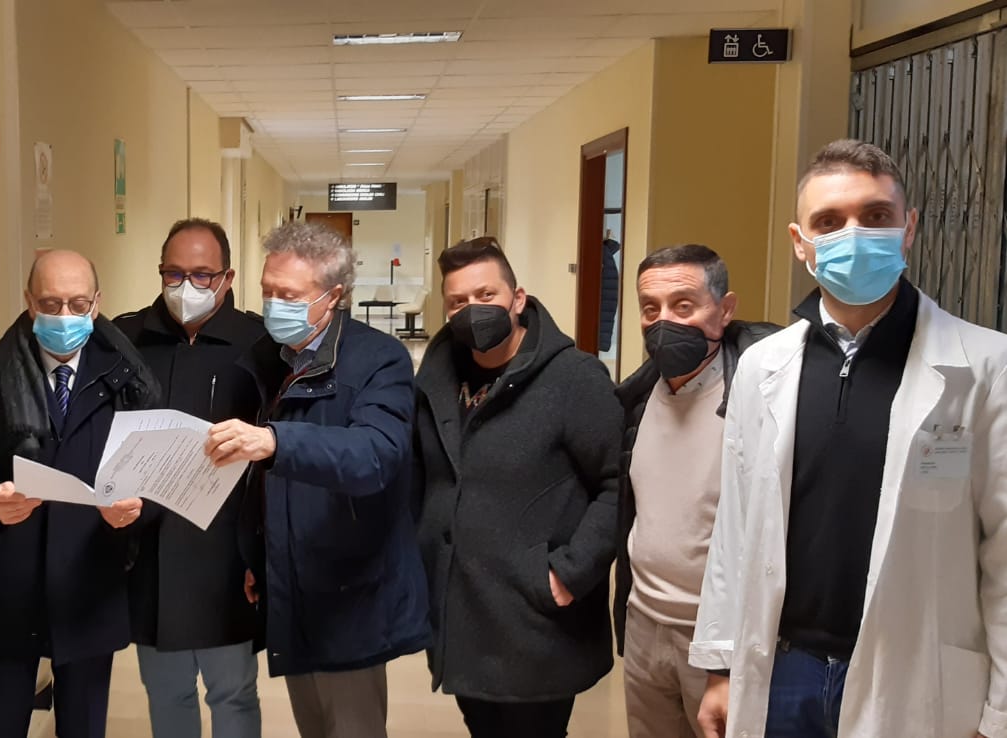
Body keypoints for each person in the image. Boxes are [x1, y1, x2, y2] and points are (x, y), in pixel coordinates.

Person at [693, 139, 1007, 738]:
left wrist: (1000, 714)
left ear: (908, 228)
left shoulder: (986, 366)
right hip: (784, 668)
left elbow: (1004, 553)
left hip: (917, 675)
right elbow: (735, 529)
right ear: (800, 242)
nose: (854, 235)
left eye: (876, 215)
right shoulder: (763, 366)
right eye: (829, 222)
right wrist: (720, 665)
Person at [205, 221, 429, 738]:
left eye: (289, 295)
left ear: (334, 296)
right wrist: (257, 554)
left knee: (351, 727)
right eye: (267, 292)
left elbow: (376, 455)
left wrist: (276, 441)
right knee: (313, 724)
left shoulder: (379, 359)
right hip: (289, 579)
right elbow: (261, 483)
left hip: (349, 586)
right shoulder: (269, 358)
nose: (273, 306)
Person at [0, 250, 161, 738]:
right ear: (29, 301)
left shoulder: (128, 380)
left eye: (78, 304)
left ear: (97, 303)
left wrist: (136, 512)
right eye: (50, 303)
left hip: (89, 585)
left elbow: (155, 483)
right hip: (7, 587)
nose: (65, 316)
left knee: (82, 727)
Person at [412, 237, 619, 737]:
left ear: (518, 299)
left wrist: (569, 573)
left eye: (486, 295)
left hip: (536, 620)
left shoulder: (573, 379)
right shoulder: (436, 381)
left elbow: (617, 486)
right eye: (458, 302)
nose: (472, 310)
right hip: (462, 613)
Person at [612, 245, 779, 738]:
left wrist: (726, 658)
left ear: (725, 310)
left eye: (684, 305)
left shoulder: (763, 398)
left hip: (723, 640)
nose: (664, 321)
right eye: (650, 308)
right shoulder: (636, 400)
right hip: (644, 626)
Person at [114, 218, 265, 738]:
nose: (187, 287)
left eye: (202, 275)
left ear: (228, 277)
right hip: (151, 550)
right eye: (174, 274)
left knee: (233, 693)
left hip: (228, 551)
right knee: (167, 692)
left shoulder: (259, 342)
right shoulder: (127, 338)